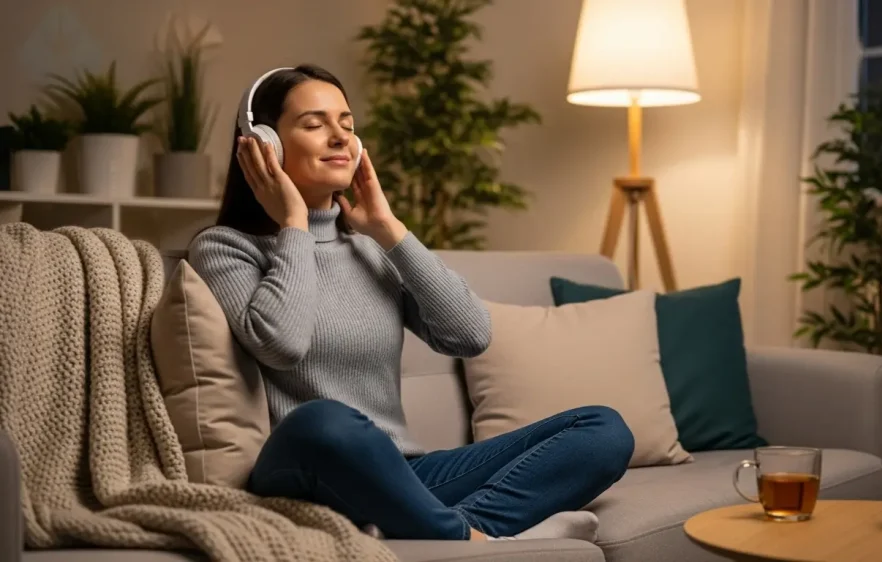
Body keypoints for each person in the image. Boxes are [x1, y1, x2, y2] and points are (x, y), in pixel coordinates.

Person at [186, 63, 635, 542]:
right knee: (322, 421)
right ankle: (465, 538)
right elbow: (281, 343)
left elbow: (471, 335)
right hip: (303, 471)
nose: (339, 136)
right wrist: (294, 224)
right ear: (263, 146)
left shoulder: (370, 246)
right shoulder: (225, 247)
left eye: (347, 124)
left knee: (603, 431)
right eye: (315, 124)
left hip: (404, 474)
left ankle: (452, 532)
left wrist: (387, 228)